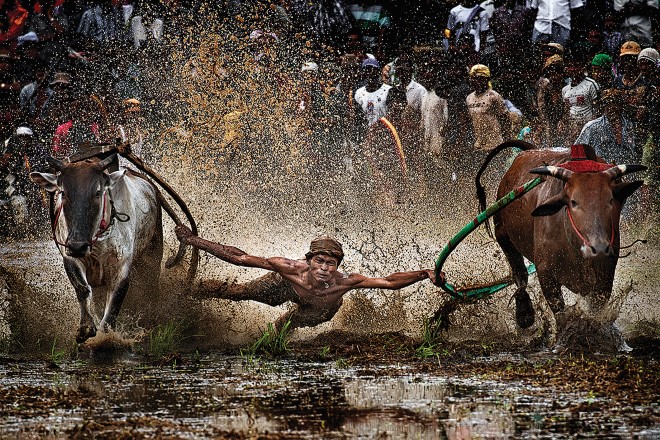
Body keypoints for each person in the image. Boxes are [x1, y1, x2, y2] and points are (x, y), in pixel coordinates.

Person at [175, 225, 443, 331]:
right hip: (285, 287)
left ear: (338, 265)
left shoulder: (344, 282)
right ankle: (188, 293)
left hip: (321, 307)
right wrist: (194, 240)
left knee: (287, 325)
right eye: (320, 261)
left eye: (331, 263)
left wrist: (424, 273)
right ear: (309, 260)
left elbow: (388, 282)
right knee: (238, 292)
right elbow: (239, 257)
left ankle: (273, 341)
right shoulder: (290, 268)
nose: (325, 268)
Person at [466, 64, 511, 153]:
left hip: (495, 144)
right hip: (478, 145)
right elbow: (471, 121)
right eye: (474, 78)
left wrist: (507, 142)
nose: (476, 81)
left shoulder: (494, 96)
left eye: (480, 78)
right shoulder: (469, 98)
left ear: (487, 79)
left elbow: (505, 119)